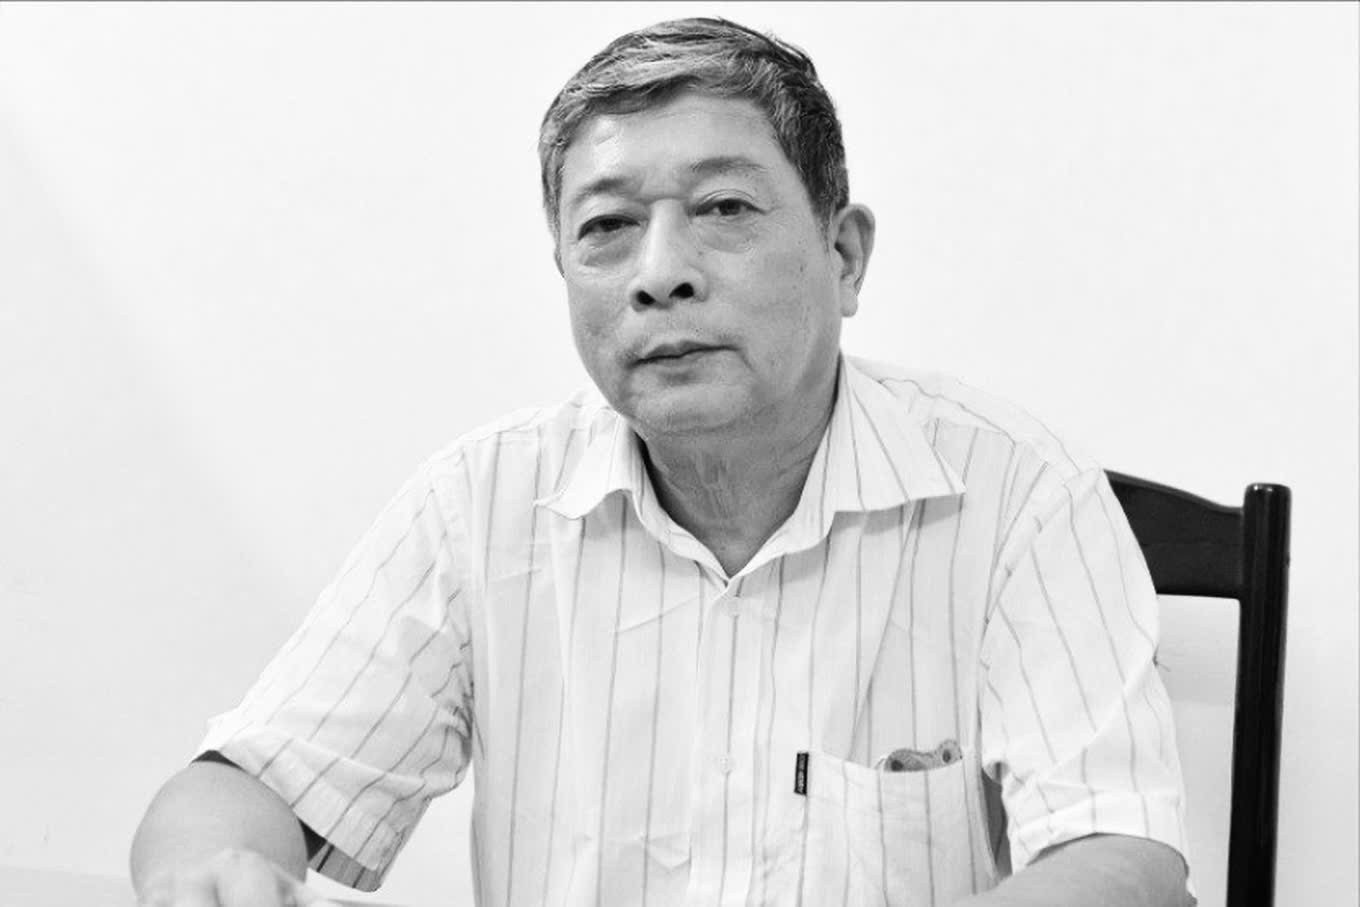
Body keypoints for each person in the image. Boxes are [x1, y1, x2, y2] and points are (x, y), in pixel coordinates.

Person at [130, 17, 1194, 907]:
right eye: (608, 226)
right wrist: (216, 870)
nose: (659, 273)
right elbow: (246, 784)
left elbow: (1119, 853)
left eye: (723, 209)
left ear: (843, 254)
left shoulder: (1016, 492)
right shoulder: (483, 502)